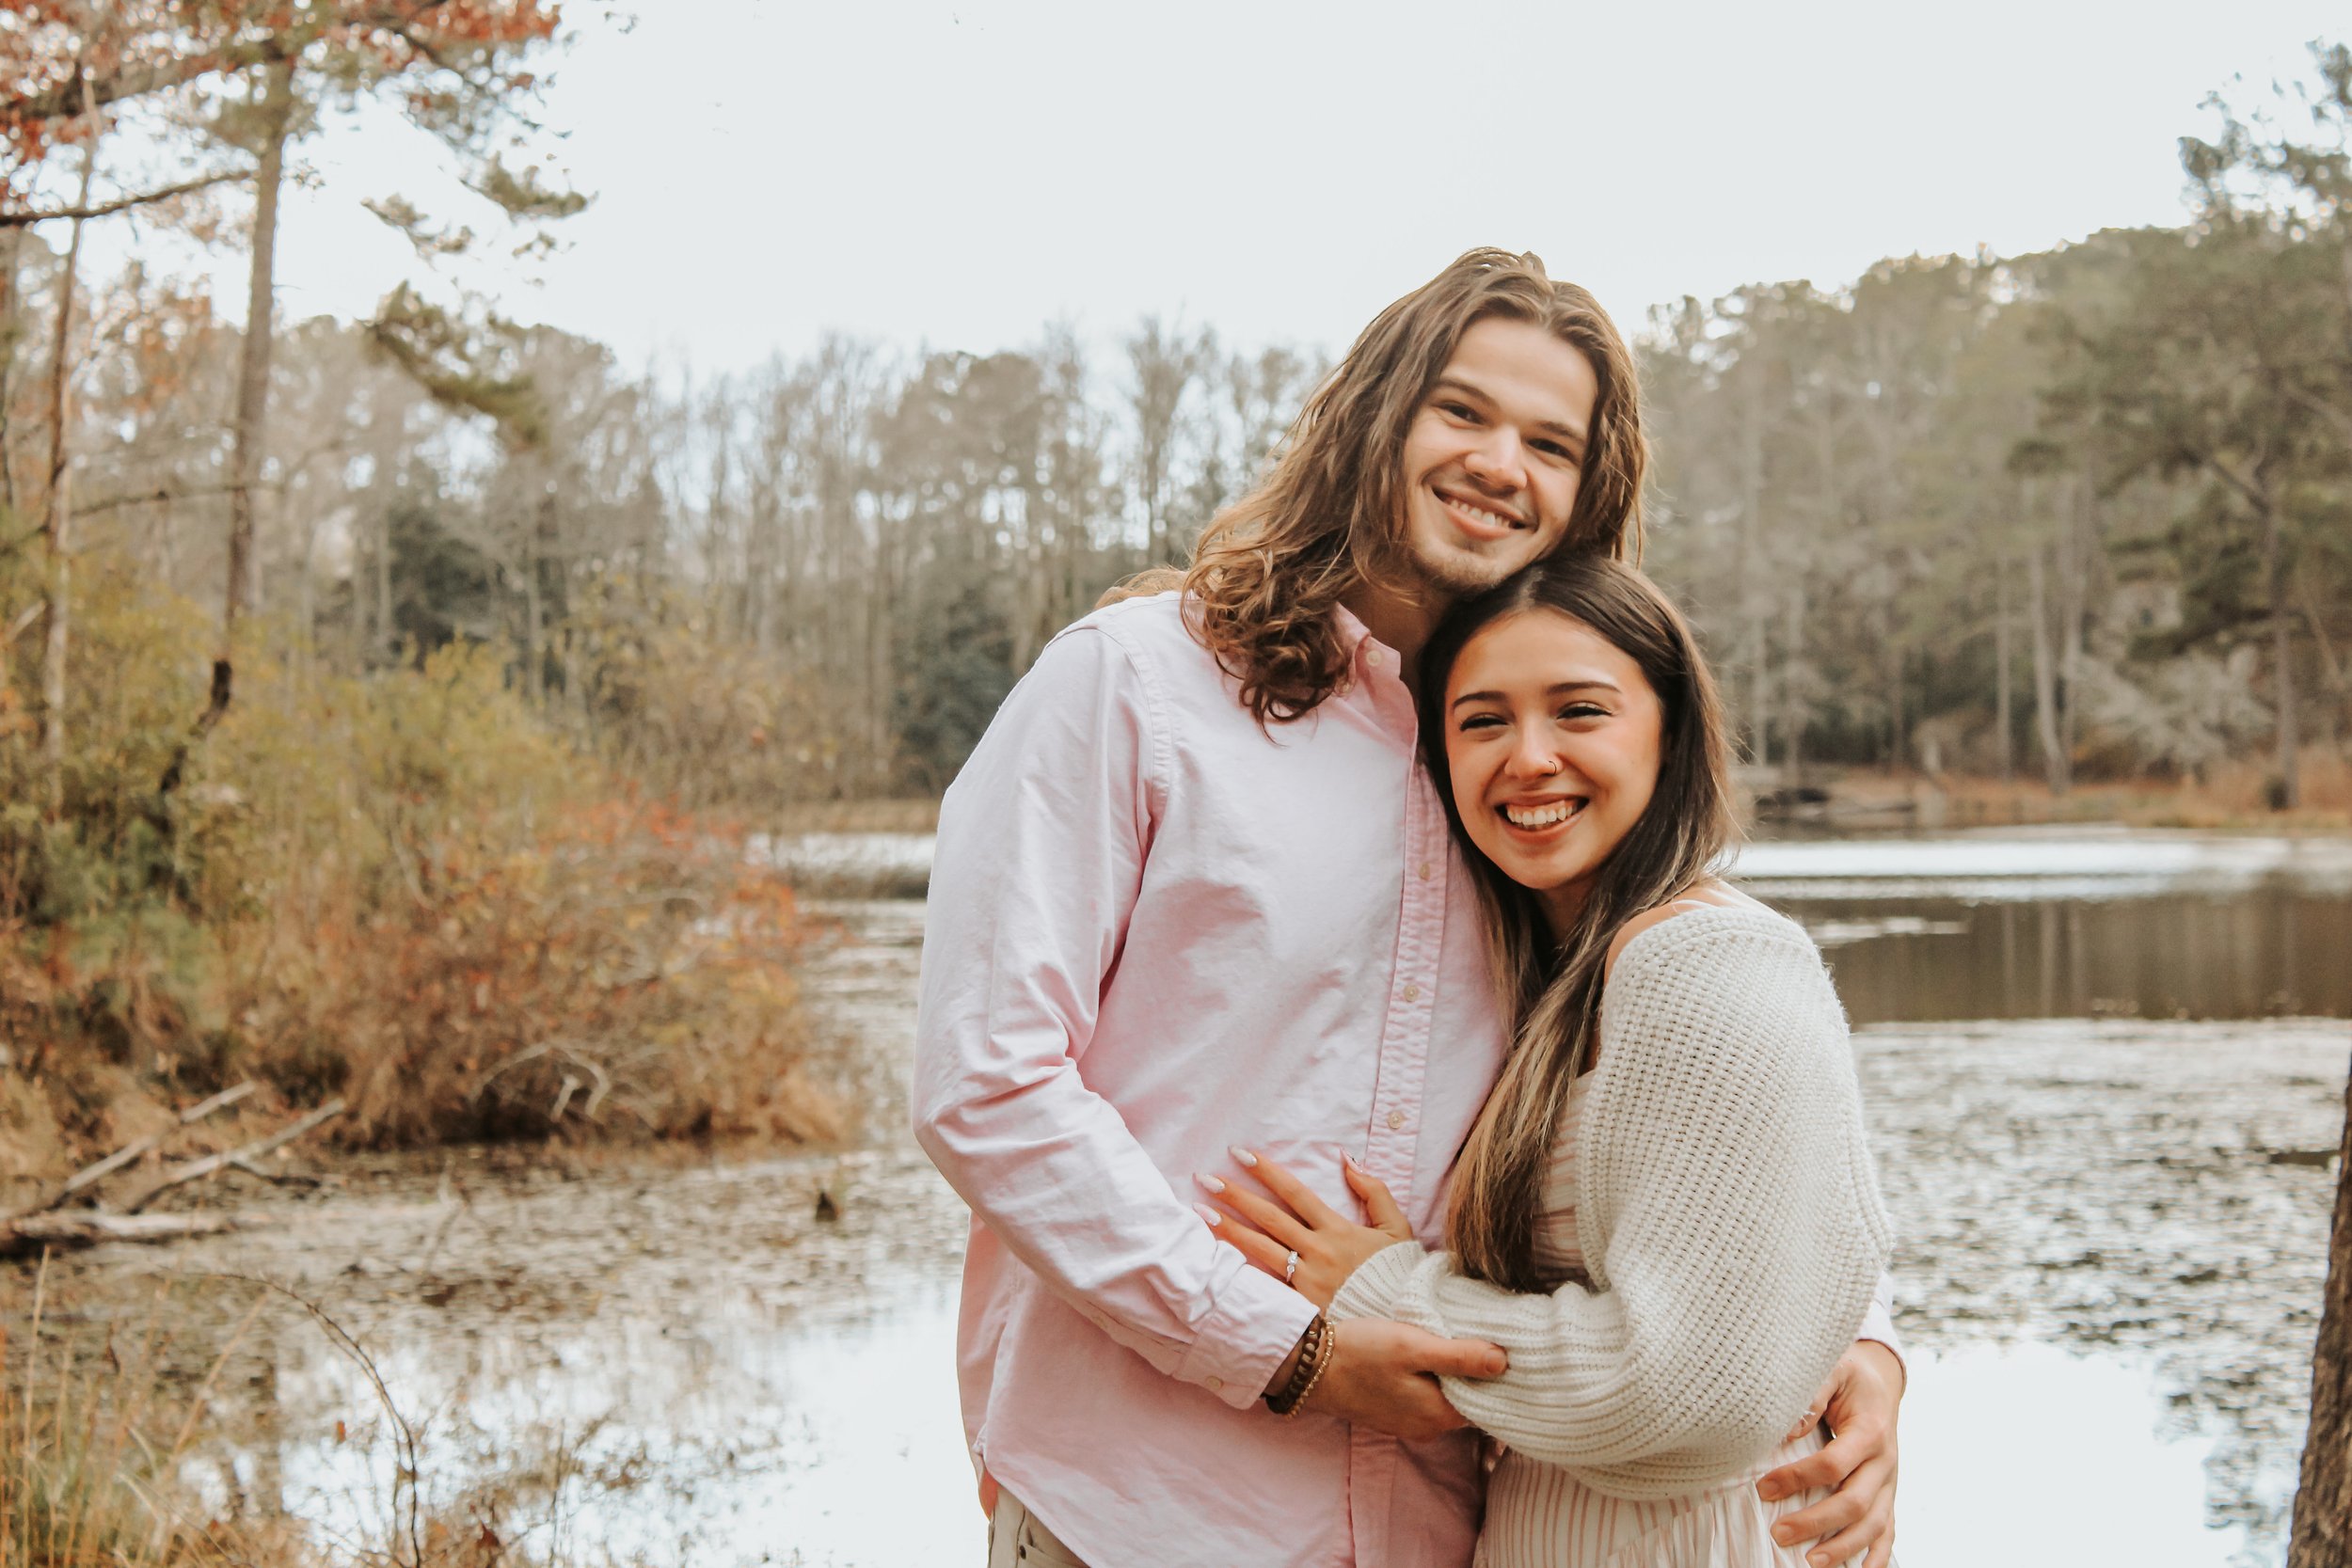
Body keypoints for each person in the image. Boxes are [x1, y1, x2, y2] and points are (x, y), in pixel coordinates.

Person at [911, 248, 1904, 1568]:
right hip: (1145, 1505)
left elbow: (1717, 1100)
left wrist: (1865, 1339)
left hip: (1447, 1521)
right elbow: (986, 1083)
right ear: (1374, 413)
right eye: (1464, 410)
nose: (1503, 462)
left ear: (1587, 494)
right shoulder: (1138, 684)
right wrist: (1287, 1350)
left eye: (1552, 442)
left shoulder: (1531, 770)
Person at [1204, 553, 1895, 1566]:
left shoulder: (1706, 963)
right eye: (1483, 720)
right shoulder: (1550, 972)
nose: (1527, 757)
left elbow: (1688, 1394)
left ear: (1670, 728)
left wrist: (1392, 1291)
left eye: (1579, 711)